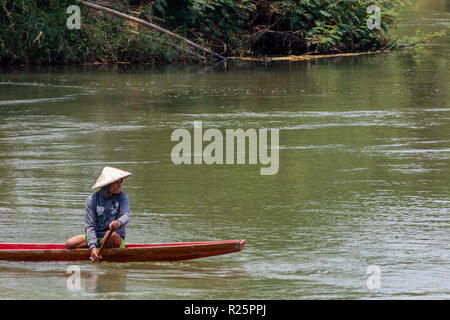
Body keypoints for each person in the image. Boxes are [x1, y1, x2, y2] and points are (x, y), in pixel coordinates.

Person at [65, 166, 131, 262]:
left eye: (120, 182)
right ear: (108, 184)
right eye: (116, 182)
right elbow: (90, 226)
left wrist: (118, 222)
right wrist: (92, 246)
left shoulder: (122, 196)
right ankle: (95, 250)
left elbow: (126, 215)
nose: (119, 185)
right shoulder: (92, 200)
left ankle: (98, 250)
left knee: (110, 235)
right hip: (96, 236)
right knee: (69, 243)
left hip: (114, 236)